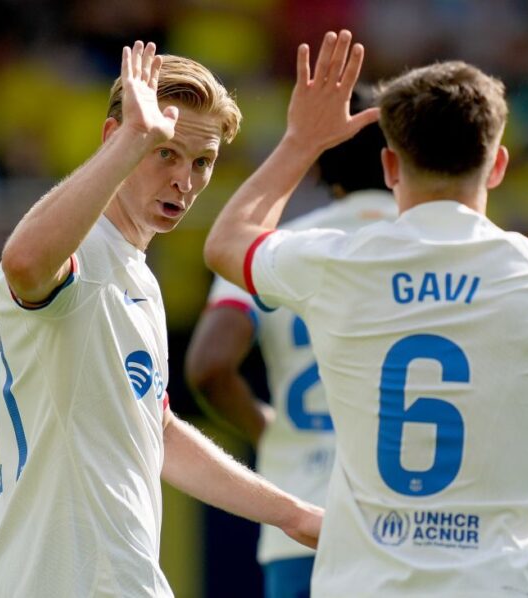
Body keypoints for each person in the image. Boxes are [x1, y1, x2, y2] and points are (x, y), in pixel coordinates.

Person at [203, 30, 528, 597]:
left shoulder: (338, 263)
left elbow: (227, 242)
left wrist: (301, 142)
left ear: (391, 167)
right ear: (497, 164)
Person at [0, 41, 322, 598]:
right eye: (166, 153)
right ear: (117, 138)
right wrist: (137, 138)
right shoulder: (81, 250)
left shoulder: (139, 277)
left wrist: (294, 514)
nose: (186, 180)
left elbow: (156, 431)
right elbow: (24, 264)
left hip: (117, 579)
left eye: (202, 162)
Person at [185, 83, 395, 598]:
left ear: (320, 166)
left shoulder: (273, 250)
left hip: (304, 518)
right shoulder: (448, 251)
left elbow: (210, 366)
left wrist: (270, 433)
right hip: (416, 522)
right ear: (401, 162)